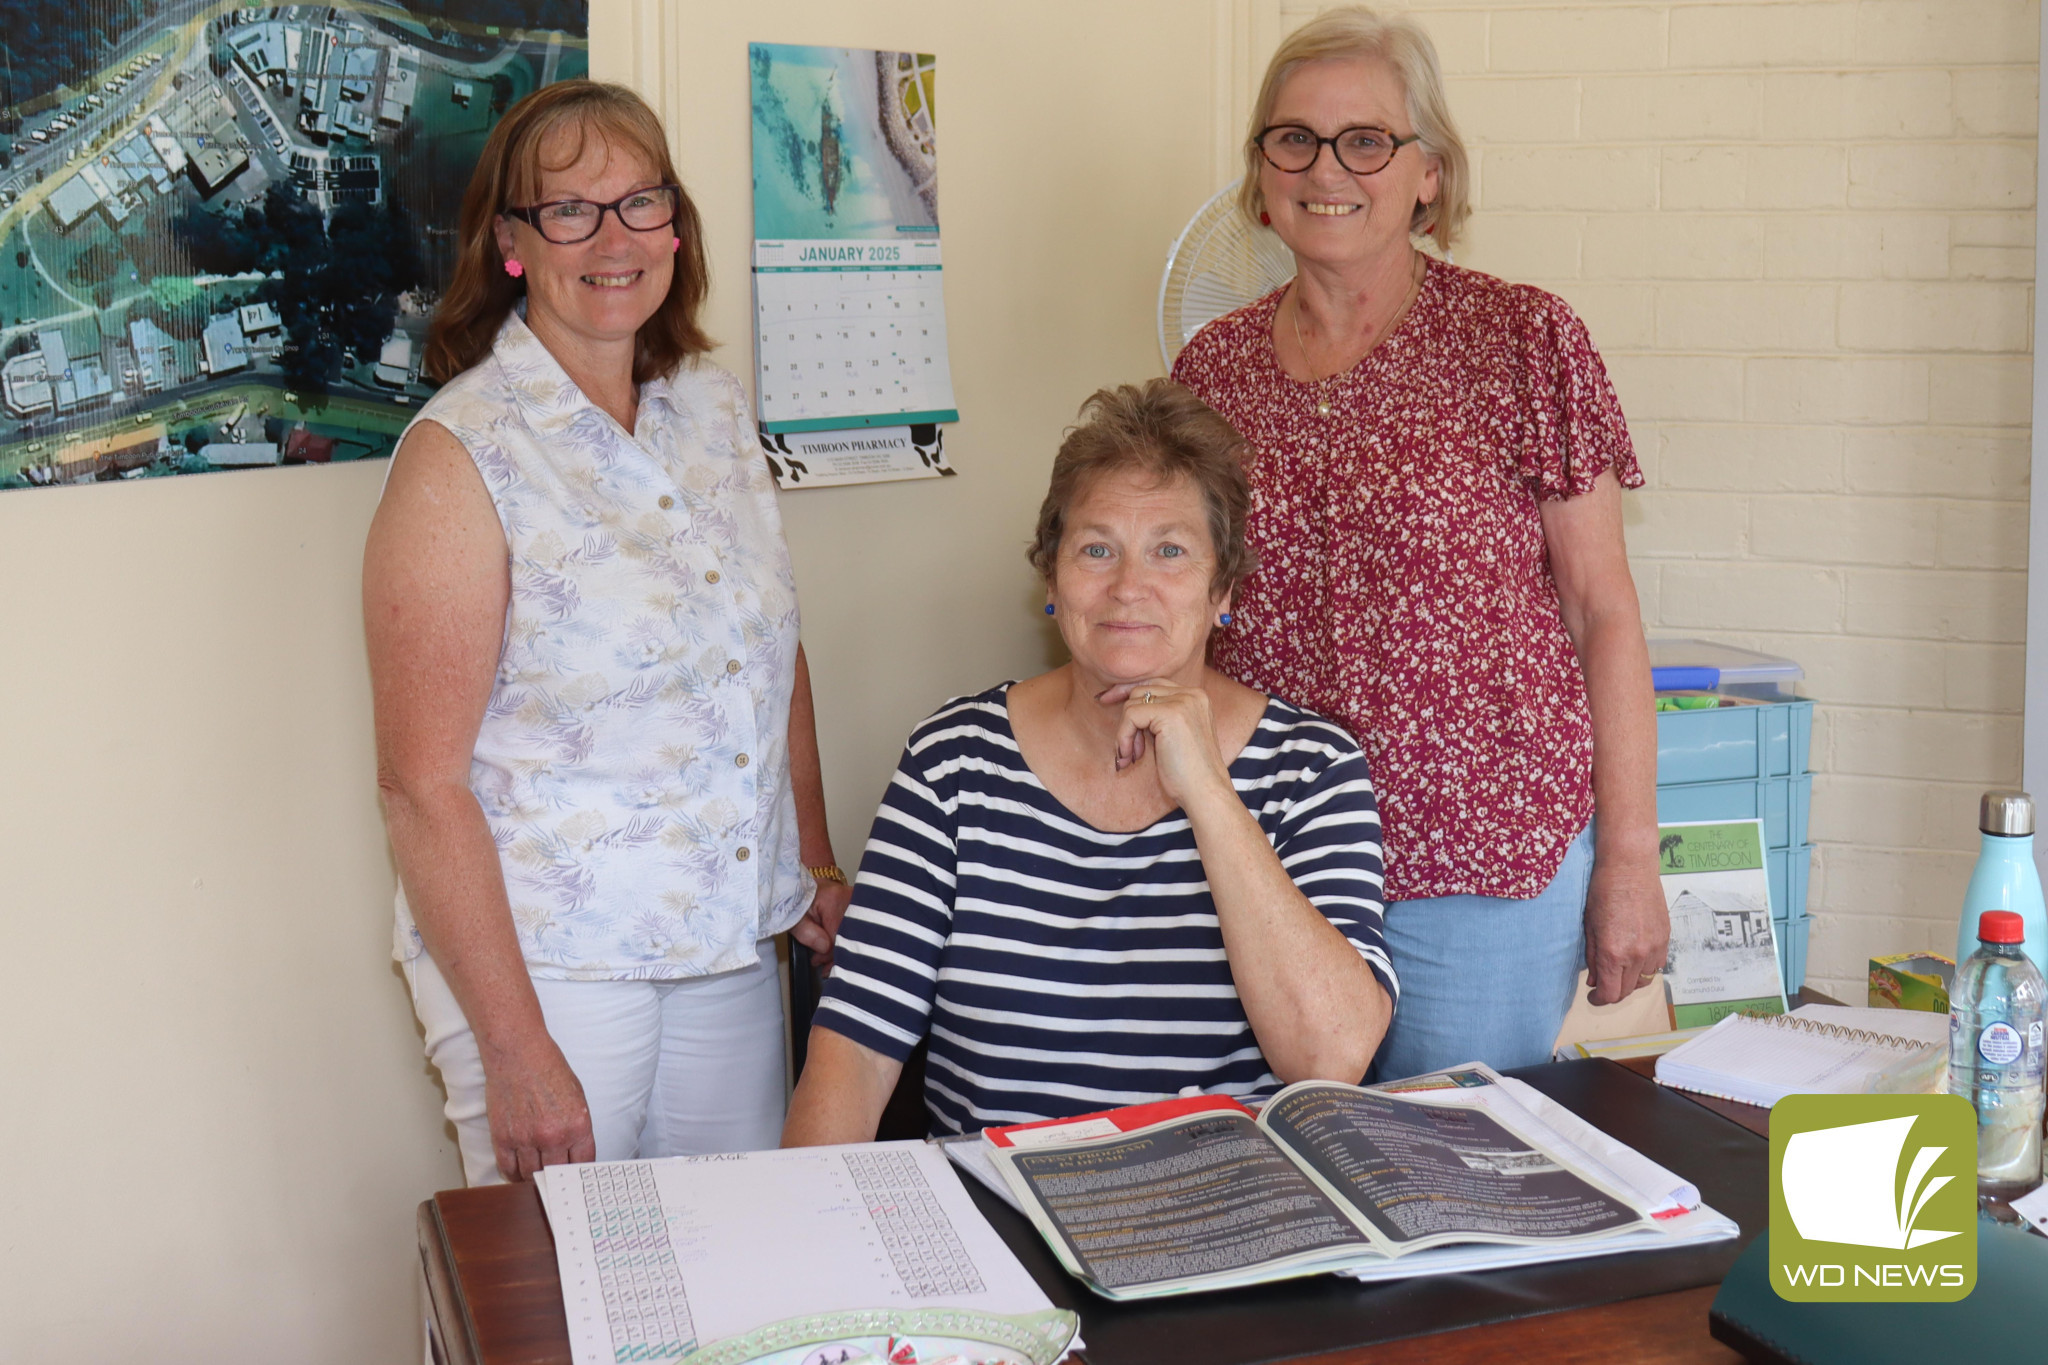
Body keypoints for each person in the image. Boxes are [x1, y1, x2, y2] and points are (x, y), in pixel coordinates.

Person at [364, 81, 851, 1185]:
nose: (613, 237)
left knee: (728, 1285)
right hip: (552, 965)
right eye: (569, 210)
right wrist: (517, 1049)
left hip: (725, 935)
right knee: (567, 1301)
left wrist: (811, 854)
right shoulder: (463, 458)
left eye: (639, 203)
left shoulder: (712, 412)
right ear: (512, 243)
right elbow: (418, 787)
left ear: (676, 226)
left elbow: (769, 655)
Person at [1170, 6, 1667, 1079]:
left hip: (1476, 866)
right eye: (1291, 138)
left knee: (1456, 1193)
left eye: (1365, 140)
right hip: (1271, 857)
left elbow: (1602, 609)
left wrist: (1628, 859)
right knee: (1290, 1178)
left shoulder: (1521, 339)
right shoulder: (1212, 370)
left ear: (1429, 172)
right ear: (1259, 170)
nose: (1324, 168)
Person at [782, 380, 1395, 1143]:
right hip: (1002, 1221)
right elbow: (854, 1053)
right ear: (1052, 578)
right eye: (1096, 548)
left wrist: (1208, 790)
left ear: (1223, 590)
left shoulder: (1311, 768)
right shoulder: (953, 761)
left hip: (1232, 1225)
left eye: (1170, 550)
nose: (1128, 586)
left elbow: (1330, 1056)